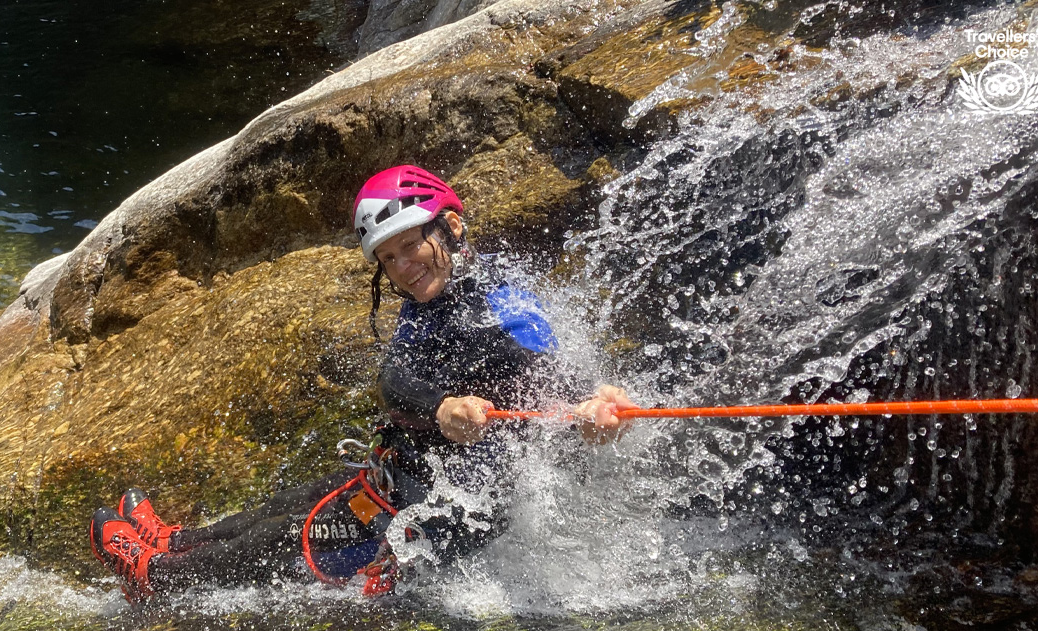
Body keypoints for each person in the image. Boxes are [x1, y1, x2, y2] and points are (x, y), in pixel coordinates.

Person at [88, 165, 639, 601]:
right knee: (292, 501)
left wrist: (589, 405)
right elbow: (395, 379)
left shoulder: (500, 299)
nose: (402, 267)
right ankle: (172, 541)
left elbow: (538, 360)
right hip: (409, 479)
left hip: (438, 514)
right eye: (388, 258)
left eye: (410, 245)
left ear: (449, 226)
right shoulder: (429, 304)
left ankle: (154, 575)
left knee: (285, 540)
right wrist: (442, 405)